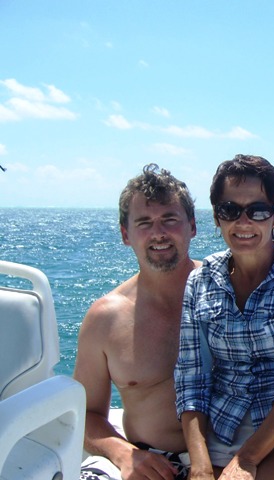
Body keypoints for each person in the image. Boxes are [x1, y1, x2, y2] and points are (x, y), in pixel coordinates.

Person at [174, 154, 274, 480]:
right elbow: (192, 378)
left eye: (258, 211)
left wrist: (246, 460)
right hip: (221, 428)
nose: (243, 222)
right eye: (229, 210)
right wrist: (200, 467)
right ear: (216, 217)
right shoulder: (200, 281)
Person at [74, 164, 198, 480]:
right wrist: (123, 454)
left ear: (192, 226)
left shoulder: (230, 290)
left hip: (231, 457)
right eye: (144, 222)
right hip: (149, 462)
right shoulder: (104, 319)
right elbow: (84, 414)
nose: (158, 233)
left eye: (170, 219)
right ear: (125, 234)